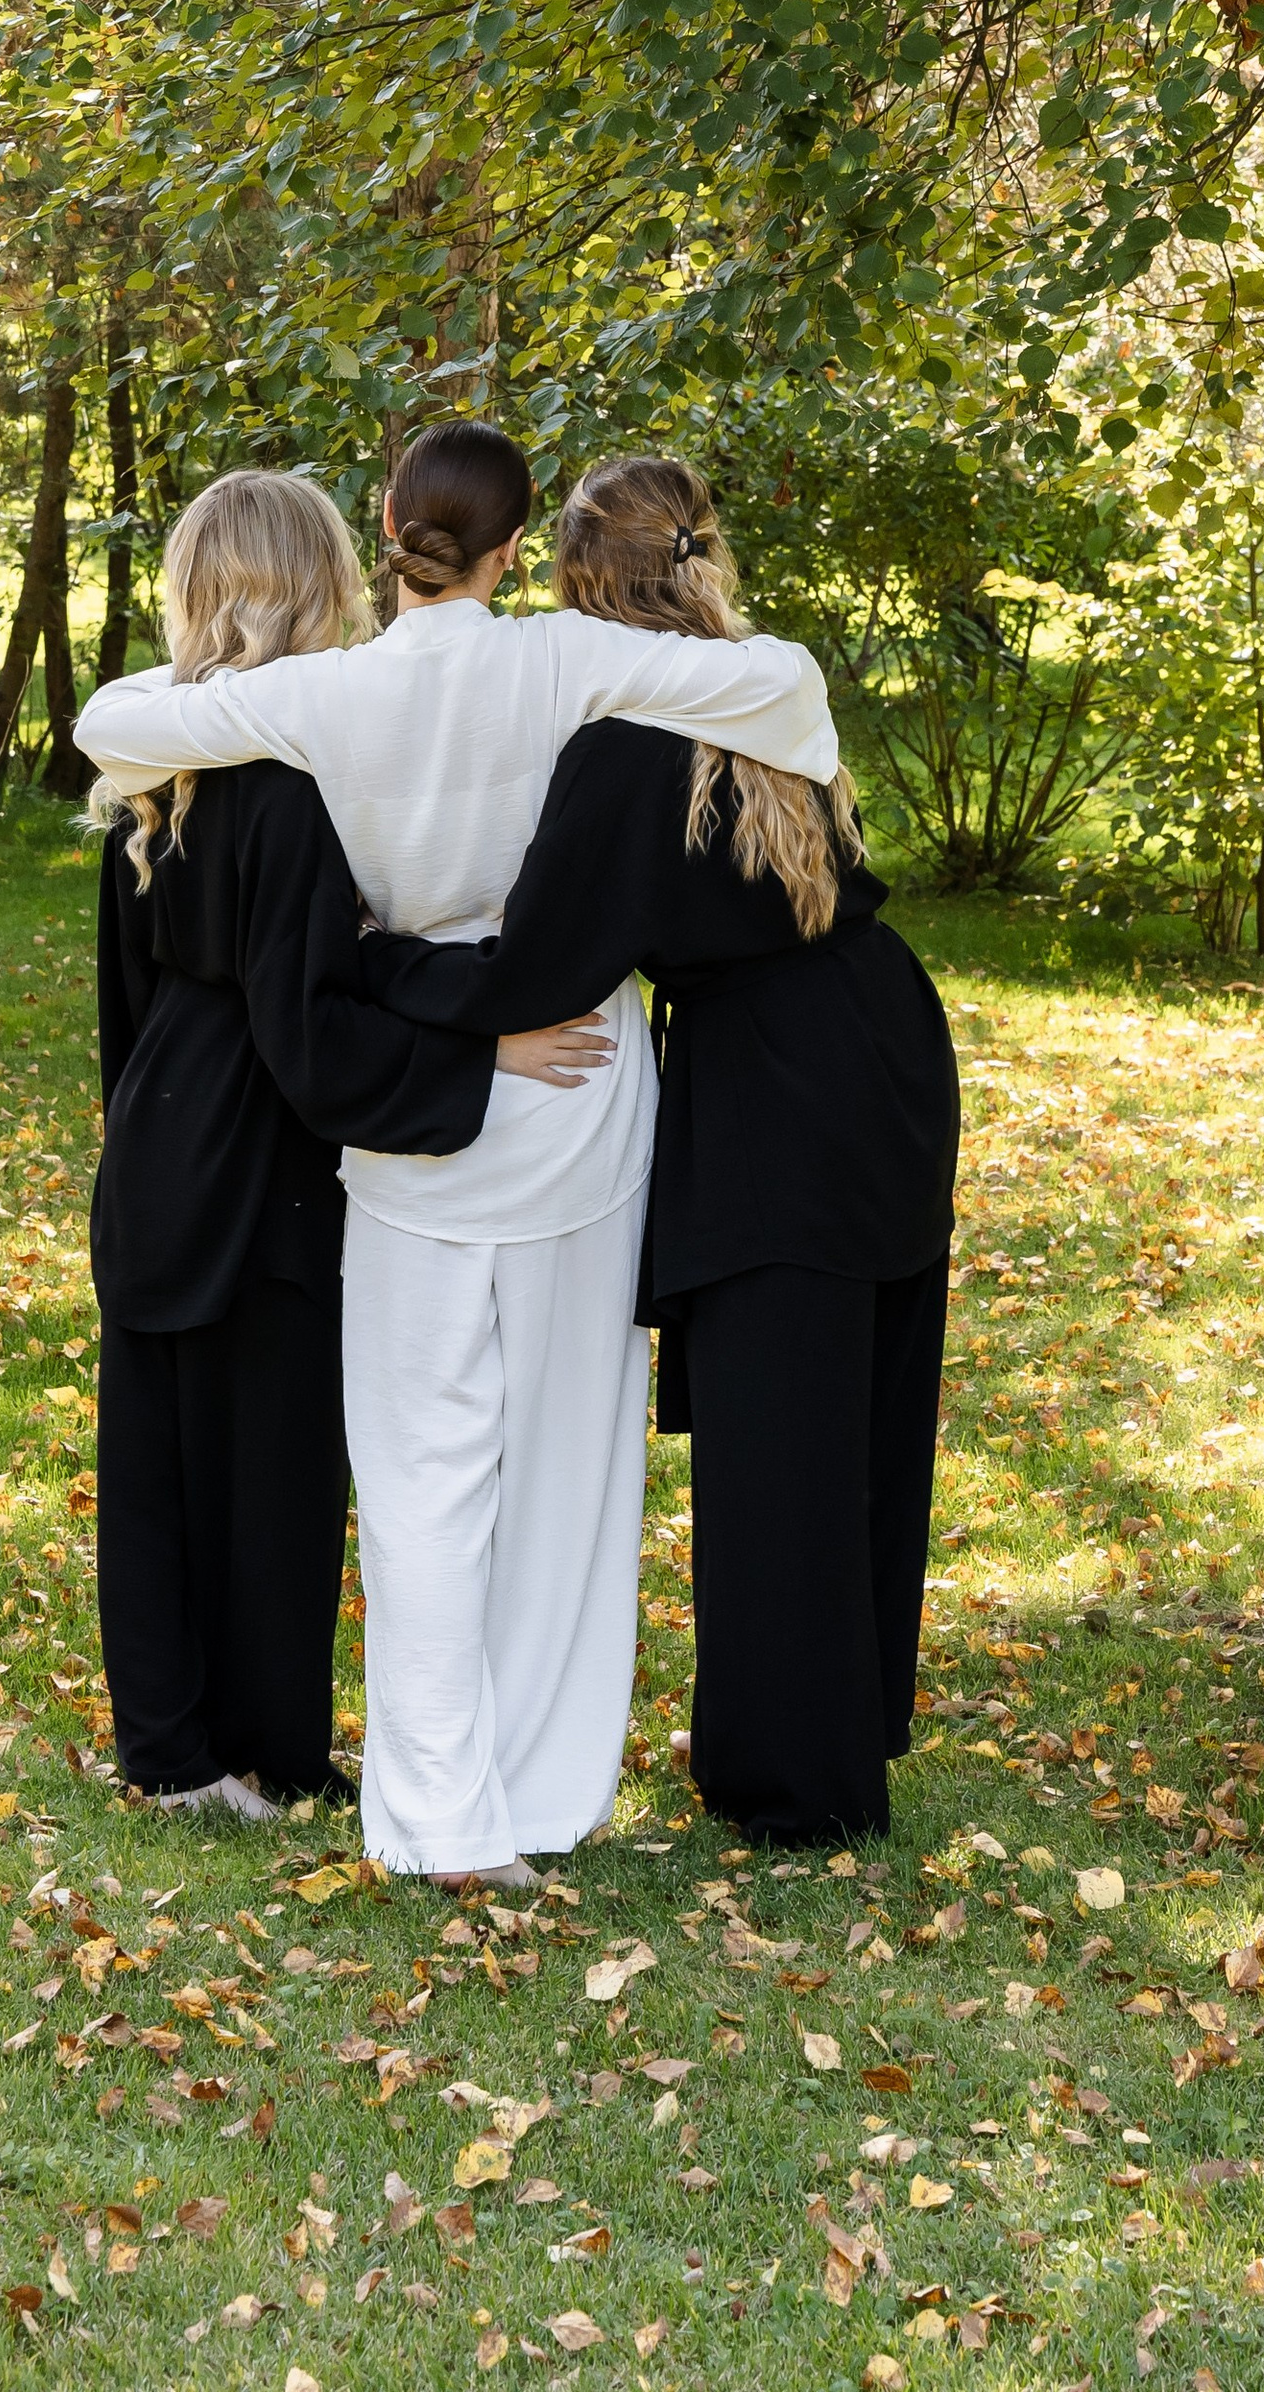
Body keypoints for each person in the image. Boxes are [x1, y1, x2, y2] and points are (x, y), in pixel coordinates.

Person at [76, 416, 841, 1887]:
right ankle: (541, 1795)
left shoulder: (322, 695)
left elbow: (115, 723)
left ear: (389, 533)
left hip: (412, 1110)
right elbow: (790, 691)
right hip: (577, 1080)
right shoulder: (561, 658)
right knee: (566, 1464)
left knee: (423, 1468)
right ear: (511, 549)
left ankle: (435, 1824)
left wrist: (236, 675)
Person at [355, 453, 959, 1844]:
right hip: (884, 1034)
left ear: (576, 586)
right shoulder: (755, 684)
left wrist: (378, 963)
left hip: (772, 1080)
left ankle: (795, 1782)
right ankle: (849, 1720)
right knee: (861, 1403)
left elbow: (538, 972)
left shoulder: (625, 751)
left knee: (777, 1429)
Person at [89, 466, 613, 1821]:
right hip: (265, 1139)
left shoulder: (155, 781)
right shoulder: (289, 784)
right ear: (315, 578)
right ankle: (263, 1747)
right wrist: (476, 1049)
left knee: (156, 1453)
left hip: (157, 1128)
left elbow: (128, 1001)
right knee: (274, 1459)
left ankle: (168, 1744)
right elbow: (318, 1010)